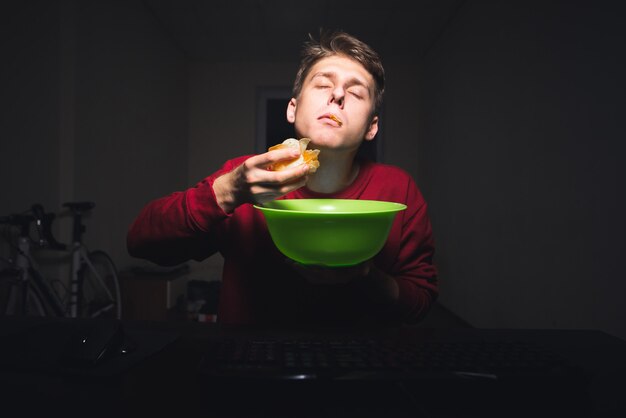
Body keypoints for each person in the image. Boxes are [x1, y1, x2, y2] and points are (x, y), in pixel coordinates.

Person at [127, 30, 438, 326]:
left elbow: (421, 301)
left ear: (372, 128)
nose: (339, 95)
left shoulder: (399, 189)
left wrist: (367, 276)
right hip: (250, 364)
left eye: (356, 92)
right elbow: (142, 242)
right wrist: (226, 193)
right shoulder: (244, 178)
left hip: (362, 367)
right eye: (322, 85)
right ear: (292, 109)